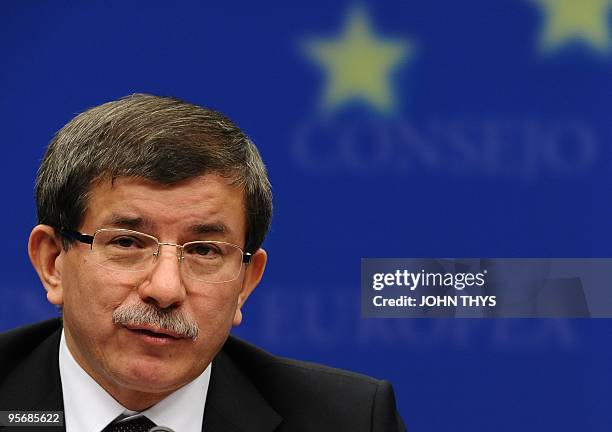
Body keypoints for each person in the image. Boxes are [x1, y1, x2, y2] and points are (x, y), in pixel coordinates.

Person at [0, 94, 405, 432]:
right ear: (52, 261)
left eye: (204, 251)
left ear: (246, 282)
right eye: (126, 242)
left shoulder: (349, 420)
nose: (165, 289)